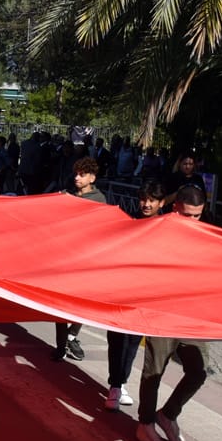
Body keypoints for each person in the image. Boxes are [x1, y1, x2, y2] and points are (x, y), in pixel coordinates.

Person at [134, 185, 210, 441]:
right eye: (187, 215)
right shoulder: (156, 230)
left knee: (198, 372)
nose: (193, 221)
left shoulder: (206, 235)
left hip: (191, 314)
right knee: (154, 371)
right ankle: (145, 423)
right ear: (175, 207)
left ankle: (168, 414)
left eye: (198, 216)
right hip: (160, 311)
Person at [104, 181, 169, 410]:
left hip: (147, 294)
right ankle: (115, 384)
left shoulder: (168, 227)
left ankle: (121, 383)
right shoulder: (128, 221)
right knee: (117, 339)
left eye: (152, 200)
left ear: (162, 203)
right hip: (121, 291)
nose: (147, 204)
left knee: (132, 342)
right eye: (144, 199)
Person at [52, 157, 108, 363]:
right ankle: (60, 345)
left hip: (85, 259)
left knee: (81, 304)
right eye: (76, 174)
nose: (77, 178)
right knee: (58, 303)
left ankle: (71, 336)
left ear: (92, 177)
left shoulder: (98, 199)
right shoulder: (70, 195)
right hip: (65, 257)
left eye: (82, 174)